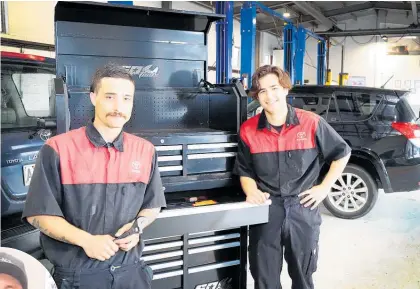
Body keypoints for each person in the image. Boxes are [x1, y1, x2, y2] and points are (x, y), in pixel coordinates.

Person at [22, 63, 166, 289]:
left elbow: (153, 205)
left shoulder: (145, 151)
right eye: (110, 97)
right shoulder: (58, 149)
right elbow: (38, 214)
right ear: (93, 98)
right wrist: (86, 241)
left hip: (131, 273)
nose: (119, 107)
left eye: (126, 98)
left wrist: (137, 227)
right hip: (78, 276)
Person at [234, 65, 351, 289]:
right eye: (262, 91)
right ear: (257, 96)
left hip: (303, 208)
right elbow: (245, 169)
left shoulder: (311, 123)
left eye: (274, 88)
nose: (269, 96)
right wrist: (251, 191)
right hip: (267, 210)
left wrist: (324, 188)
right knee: (264, 277)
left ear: (286, 89)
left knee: (303, 276)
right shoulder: (248, 130)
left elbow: (342, 153)